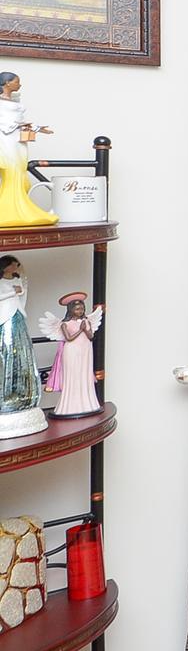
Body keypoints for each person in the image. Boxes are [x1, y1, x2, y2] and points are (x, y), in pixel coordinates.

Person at [0, 74, 55, 228]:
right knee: (12, 171)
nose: (19, 85)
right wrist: (16, 125)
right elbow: (5, 123)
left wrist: (37, 128)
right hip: (7, 140)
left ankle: (19, 208)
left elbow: (19, 121)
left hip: (18, 140)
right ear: (7, 83)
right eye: (17, 82)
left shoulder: (13, 101)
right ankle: (10, 211)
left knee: (20, 171)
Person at [0, 257, 45, 438]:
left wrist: (18, 291)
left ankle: (22, 393)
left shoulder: (17, 279)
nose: (15, 267)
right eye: (12, 264)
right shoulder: (2, 282)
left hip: (17, 317)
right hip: (5, 318)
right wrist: (12, 293)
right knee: (7, 351)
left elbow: (22, 294)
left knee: (20, 351)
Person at [41, 292, 101, 420]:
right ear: (71, 310)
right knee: (73, 376)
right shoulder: (65, 324)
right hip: (72, 351)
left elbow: (91, 337)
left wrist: (85, 329)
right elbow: (68, 338)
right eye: (77, 309)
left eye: (82, 309)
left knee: (83, 374)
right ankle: (70, 405)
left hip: (86, 351)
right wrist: (80, 329)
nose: (80, 311)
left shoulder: (86, 321)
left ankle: (87, 402)